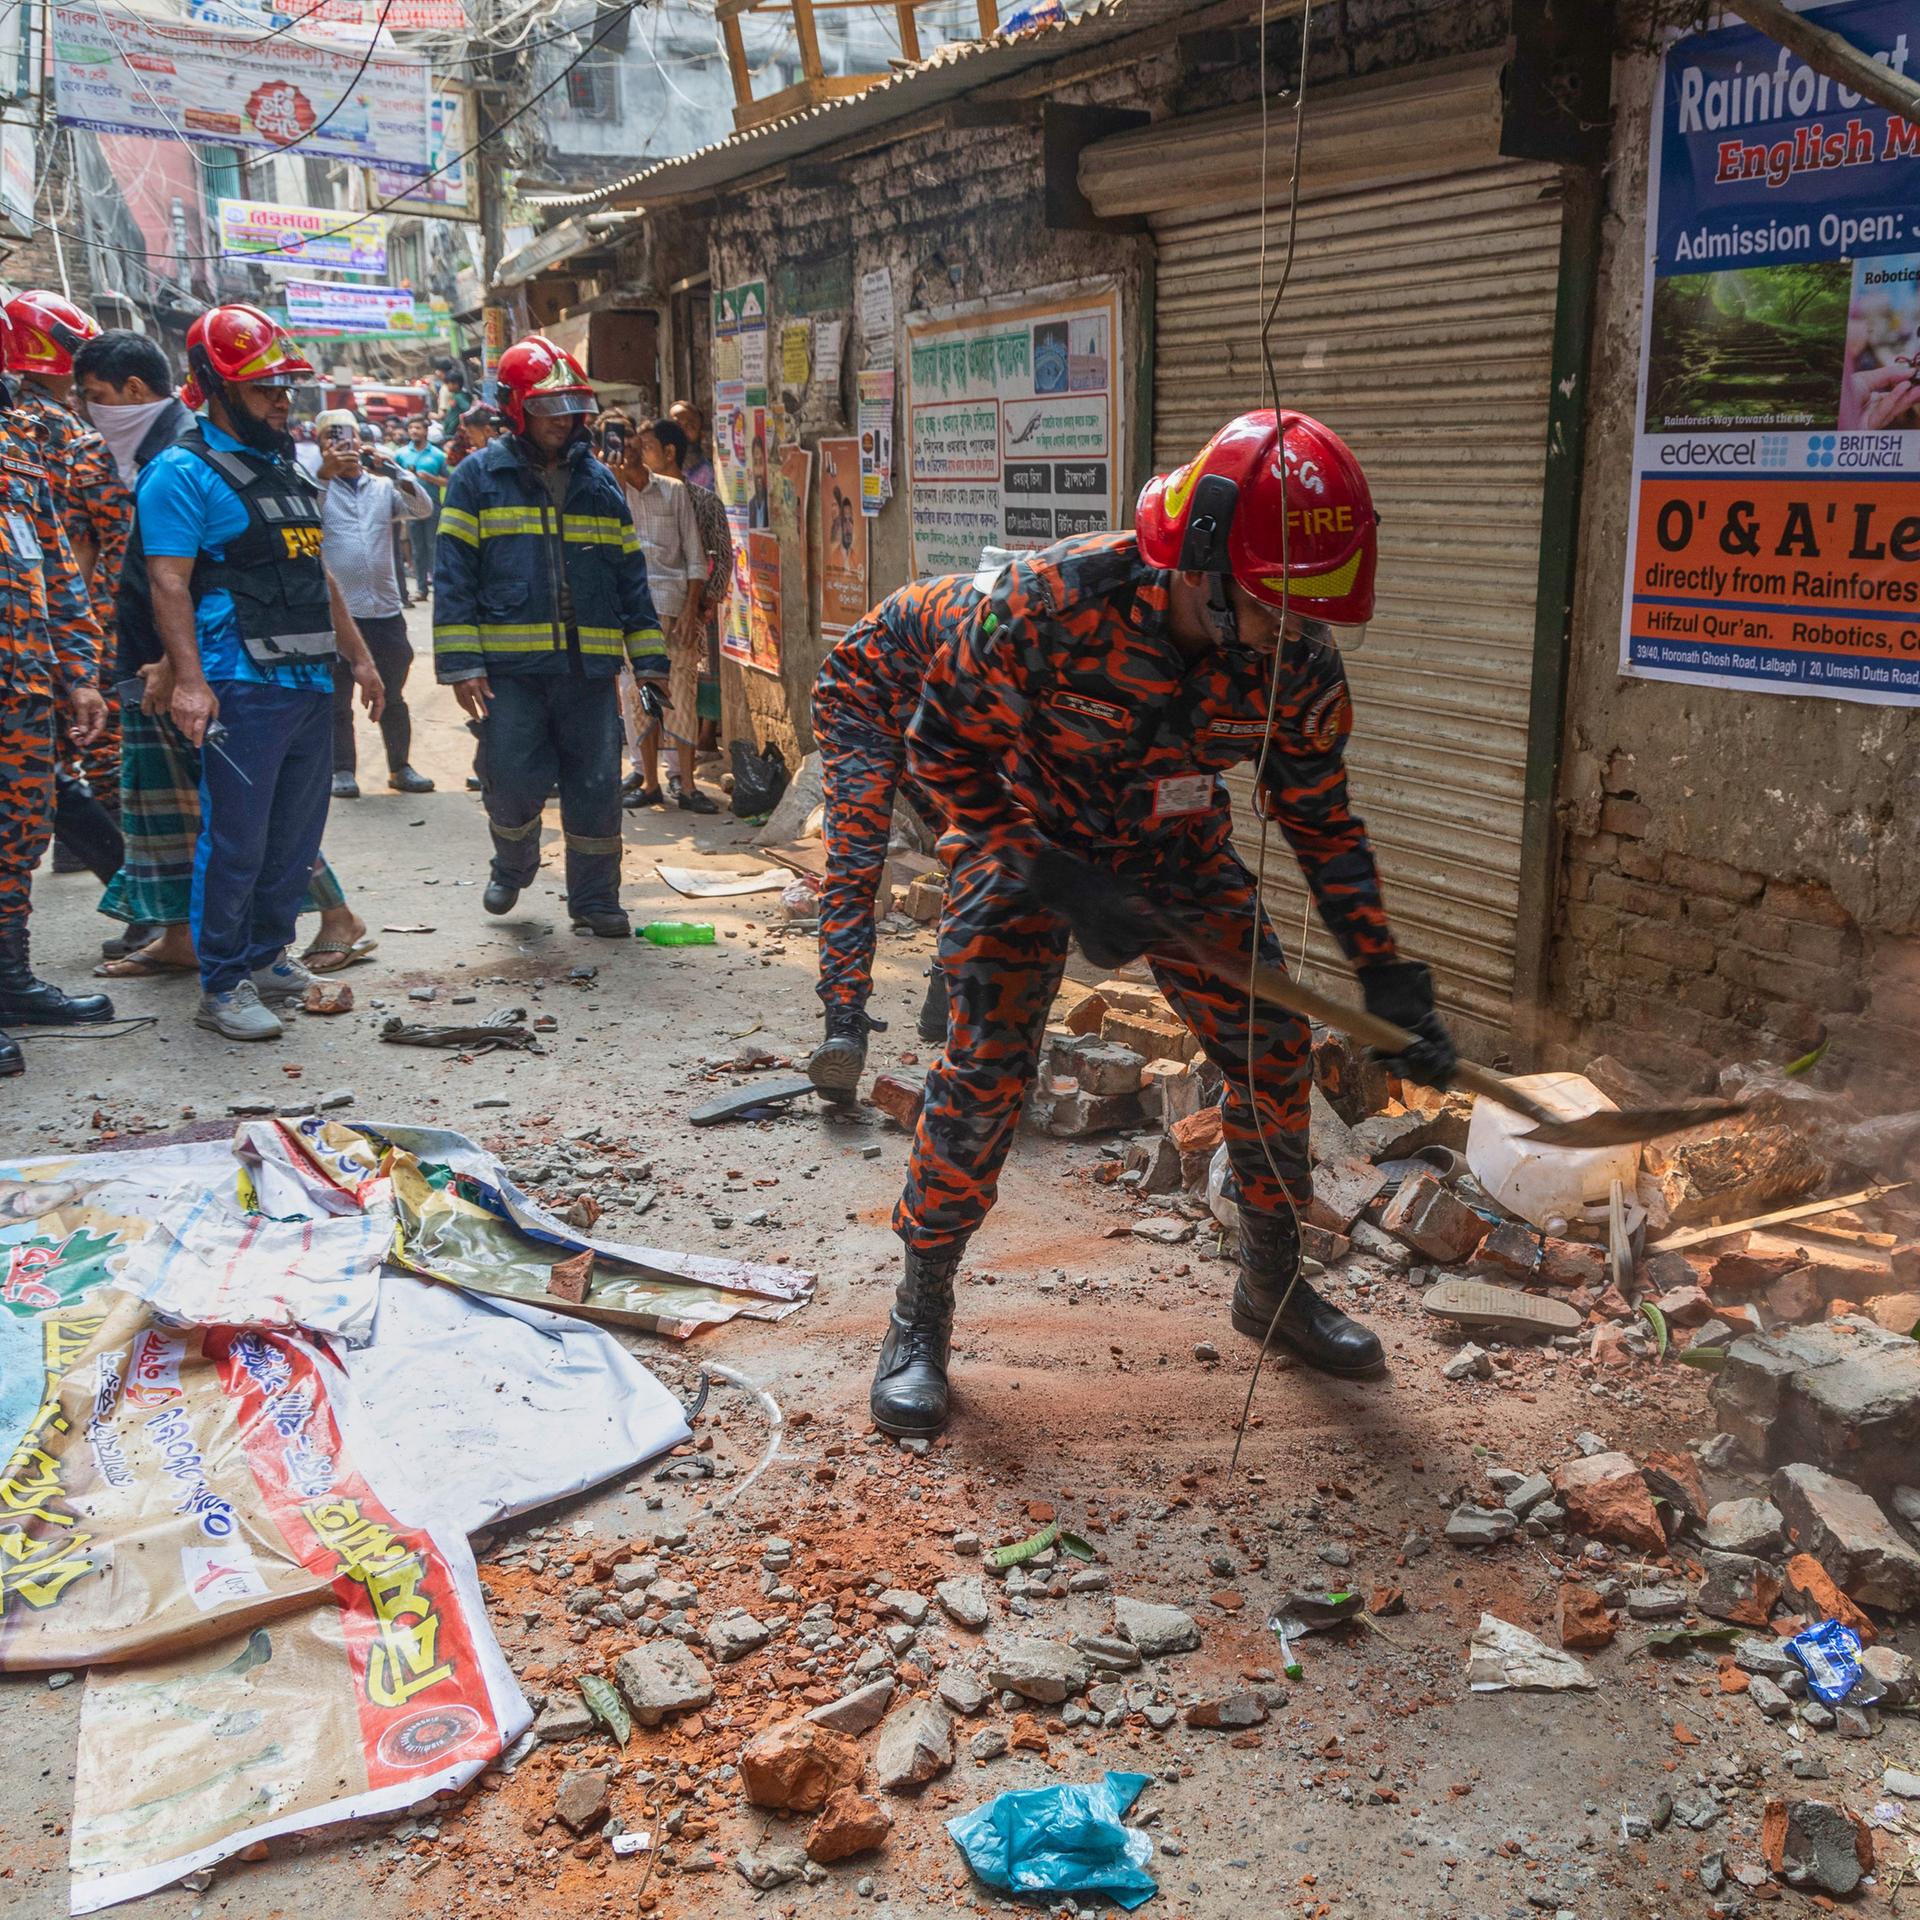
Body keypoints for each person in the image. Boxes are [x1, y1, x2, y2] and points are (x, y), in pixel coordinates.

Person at [868, 411, 1460, 1437]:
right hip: (1026, 839)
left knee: (1273, 1045)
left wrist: (1381, 965)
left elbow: (1318, 815)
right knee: (990, 1068)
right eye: (1279, 608)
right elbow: (938, 753)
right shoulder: (1049, 604)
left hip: (1176, 855)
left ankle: (1271, 1290)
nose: (1300, 635)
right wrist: (1047, 871)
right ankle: (919, 1314)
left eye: (1316, 614)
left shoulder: (1297, 659)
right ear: (1200, 564)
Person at [78, 329, 373, 985]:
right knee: (236, 842)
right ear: (219, 387)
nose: (280, 400)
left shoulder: (285, 468)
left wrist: (359, 658)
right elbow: (167, 582)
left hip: (307, 679)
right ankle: (224, 980)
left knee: (290, 841)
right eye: (264, 386)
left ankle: (269, 958)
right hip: (240, 681)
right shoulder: (181, 471)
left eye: (284, 386)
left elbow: (316, 574)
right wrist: (186, 678)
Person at [434, 332, 663, 937]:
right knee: (509, 780)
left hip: (588, 672)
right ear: (515, 409)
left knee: (595, 786)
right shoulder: (476, 479)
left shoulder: (601, 484)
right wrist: (461, 666)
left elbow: (629, 580)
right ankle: (512, 865)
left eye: (570, 407)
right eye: (547, 408)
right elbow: (453, 577)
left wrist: (649, 663)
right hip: (510, 673)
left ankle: (594, 899)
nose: (564, 420)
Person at [804, 573, 976, 1099]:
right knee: (855, 869)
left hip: (933, 721)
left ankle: (951, 1000)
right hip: (859, 708)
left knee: (977, 851)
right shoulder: (984, 628)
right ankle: (844, 1025)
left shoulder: (1049, 643)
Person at [0, 318, 114, 1076]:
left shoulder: (18, 439)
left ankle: (9, 980)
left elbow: (58, 571)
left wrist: (78, 672)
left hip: (24, 683)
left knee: (19, 835)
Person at [3, 291, 129, 878]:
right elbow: (68, 549)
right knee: (61, 762)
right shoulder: (54, 428)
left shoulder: (38, 426)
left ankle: (135, 898)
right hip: (50, 624)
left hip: (40, 627)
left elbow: (66, 545)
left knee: (59, 762)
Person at [315, 409, 434, 798]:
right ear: (322, 445)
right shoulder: (315, 487)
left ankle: (400, 767)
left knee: (394, 694)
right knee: (337, 700)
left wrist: (395, 467)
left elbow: (423, 509)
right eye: (334, 440)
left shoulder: (382, 487)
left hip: (384, 611)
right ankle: (342, 771)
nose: (344, 448)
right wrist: (323, 474)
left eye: (349, 439)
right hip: (337, 616)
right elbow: (303, 516)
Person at [616, 418, 717, 814]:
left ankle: (688, 785)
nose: (630, 451)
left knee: (683, 696)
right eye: (624, 444)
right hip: (633, 610)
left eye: (636, 444)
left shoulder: (675, 492)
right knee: (638, 699)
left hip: (674, 608)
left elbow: (695, 556)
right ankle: (651, 781)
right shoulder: (609, 492)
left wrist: (692, 609)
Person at [394, 412, 447, 599]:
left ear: (426, 431)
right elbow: (394, 480)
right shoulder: (400, 455)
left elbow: (448, 481)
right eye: (411, 428)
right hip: (410, 508)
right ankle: (421, 588)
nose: (414, 431)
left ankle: (439, 587)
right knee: (417, 548)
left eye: (417, 428)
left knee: (433, 546)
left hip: (433, 506)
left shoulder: (438, 456)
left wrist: (430, 478)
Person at [670, 399, 715, 490]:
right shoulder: (650, 471)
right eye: (676, 425)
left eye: (690, 426)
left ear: (701, 434)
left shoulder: (710, 476)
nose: (681, 431)